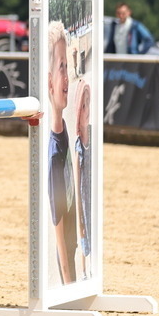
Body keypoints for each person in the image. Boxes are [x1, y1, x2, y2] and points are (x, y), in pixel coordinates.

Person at [46, 21, 79, 285]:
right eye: (61, 68)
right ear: (48, 80)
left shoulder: (63, 130)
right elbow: (60, 235)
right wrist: (69, 286)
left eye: (67, 67)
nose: (67, 78)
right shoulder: (54, 152)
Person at [73, 78, 93, 279]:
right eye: (84, 106)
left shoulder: (93, 142)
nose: (87, 112)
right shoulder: (78, 148)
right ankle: (83, 271)